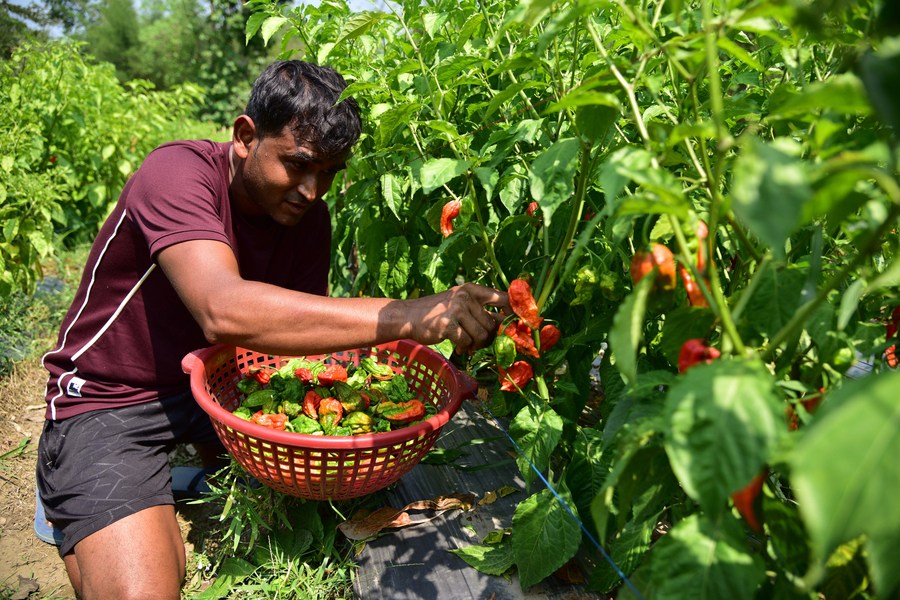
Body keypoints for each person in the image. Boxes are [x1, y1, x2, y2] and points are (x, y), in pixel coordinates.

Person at [35, 60, 508, 600]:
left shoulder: (308, 220)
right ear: (244, 136)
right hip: (113, 396)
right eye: (299, 164)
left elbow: (294, 342)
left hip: (225, 385)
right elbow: (224, 311)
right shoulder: (177, 174)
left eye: (330, 172)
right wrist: (409, 315)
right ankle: (74, 482)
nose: (312, 190)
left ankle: (181, 470)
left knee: (309, 494)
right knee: (147, 588)